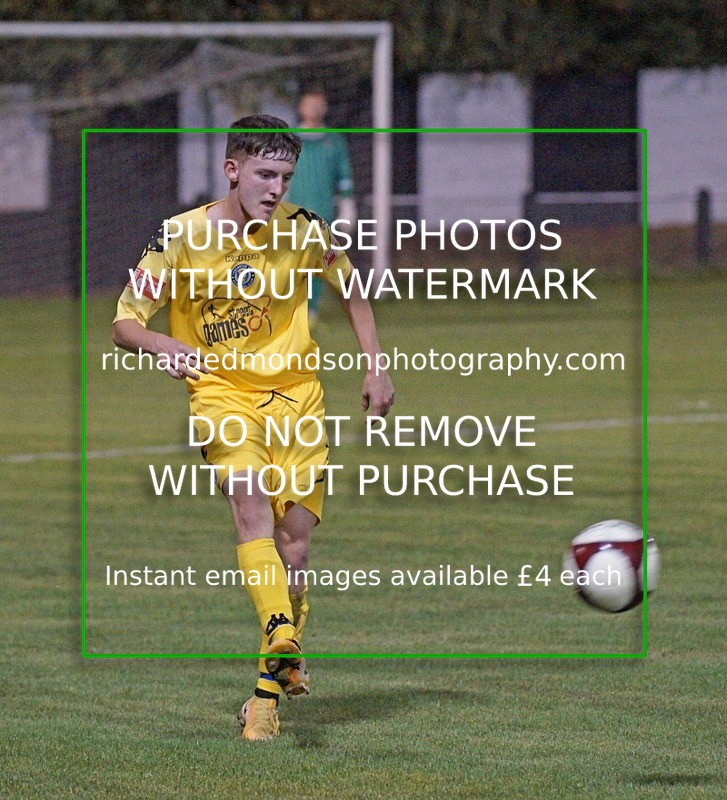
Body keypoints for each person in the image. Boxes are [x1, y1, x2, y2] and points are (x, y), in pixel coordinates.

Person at [112, 116, 394, 741]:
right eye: (265, 174)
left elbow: (353, 291)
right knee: (249, 507)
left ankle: (267, 686)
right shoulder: (178, 238)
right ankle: (280, 642)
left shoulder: (303, 230)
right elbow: (124, 322)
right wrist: (161, 342)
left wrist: (377, 367)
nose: (276, 188)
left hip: (297, 398)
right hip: (221, 393)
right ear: (232, 170)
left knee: (293, 549)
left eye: (286, 177)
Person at [286, 89, 356, 326]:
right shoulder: (290, 138)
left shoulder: (334, 140)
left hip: (323, 213)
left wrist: (347, 206)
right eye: (310, 104)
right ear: (301, 107)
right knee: (290, 263)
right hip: (291, 212)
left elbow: (344, 176)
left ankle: (310, 310)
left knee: (316, 263)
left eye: (319, 104)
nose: (315, 109)